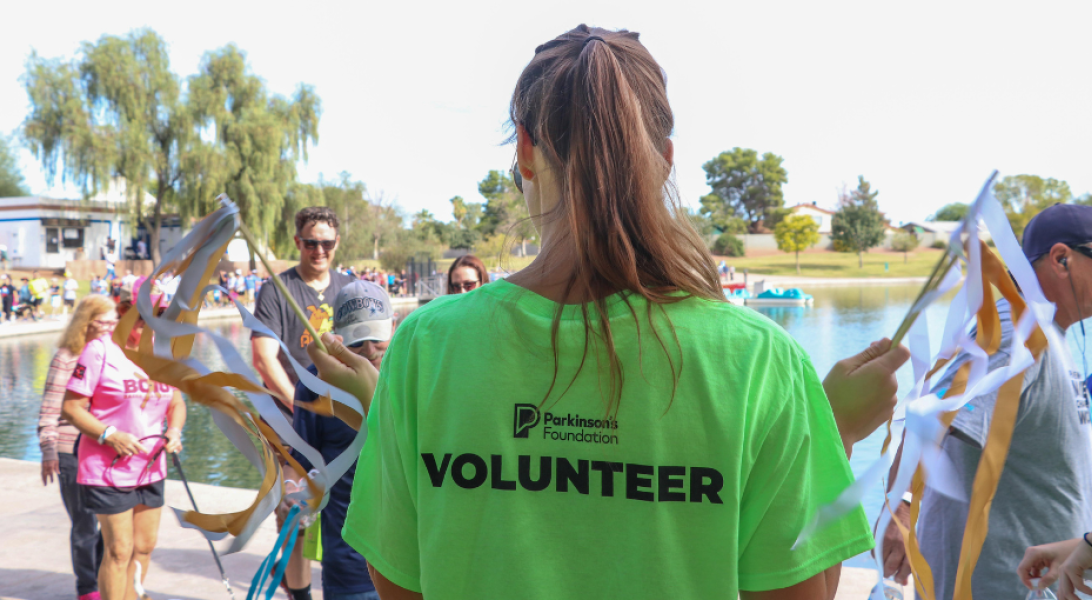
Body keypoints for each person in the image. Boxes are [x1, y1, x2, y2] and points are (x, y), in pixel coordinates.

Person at [308, 25, 909, 600]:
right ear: (667, 158)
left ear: (524, 149)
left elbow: (397, 577)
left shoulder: (426, 345)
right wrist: (836, 431)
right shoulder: (758, 361)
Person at [882, 203, 1092, 600]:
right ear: (1062, 259)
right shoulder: (1016, 334)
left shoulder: (1052, 337)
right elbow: (933, 414)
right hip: (998, 584)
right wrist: (902, 508)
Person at [252, 206, 353, 598]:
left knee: (346, 511)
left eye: (326, 243)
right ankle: (300, 594)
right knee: (295, 515)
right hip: (290, 420)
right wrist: (301, 407)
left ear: (336, 243)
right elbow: (264, 357)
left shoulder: (347, 288)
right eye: (311, 242)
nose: (319, 250)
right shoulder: (276, 290)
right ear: (298, 242)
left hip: (342, 420)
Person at [62, 290, 185, 600]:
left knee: (144, 547)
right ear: (125, 312)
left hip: (151, 467)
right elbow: (72, 408)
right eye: (144, 319)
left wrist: (175, 431)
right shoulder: (99, 351)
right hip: (107, 470)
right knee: (119, 549)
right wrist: (110, 435)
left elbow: (177, 403)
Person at [283, 280, 395, 600]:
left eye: (377, 337)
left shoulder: (414, 373)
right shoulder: (316, 384)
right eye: (357, 342)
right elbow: (301, 463)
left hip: (410, 559)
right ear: (337, 341)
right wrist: (292, 494)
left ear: (394, 325)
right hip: (349, 563)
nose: (370, 351)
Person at [39, 295, 115, 600]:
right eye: (104, 321)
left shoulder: (113, 354)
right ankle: (88, 588)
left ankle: (105, 577)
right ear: (87, 321)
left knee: (110, 522)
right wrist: (48, 449)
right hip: (72, 449)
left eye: (114, 322)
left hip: (104, 449)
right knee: (84, 523)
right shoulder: (67, 356)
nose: (110, 327)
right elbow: (49, 407)